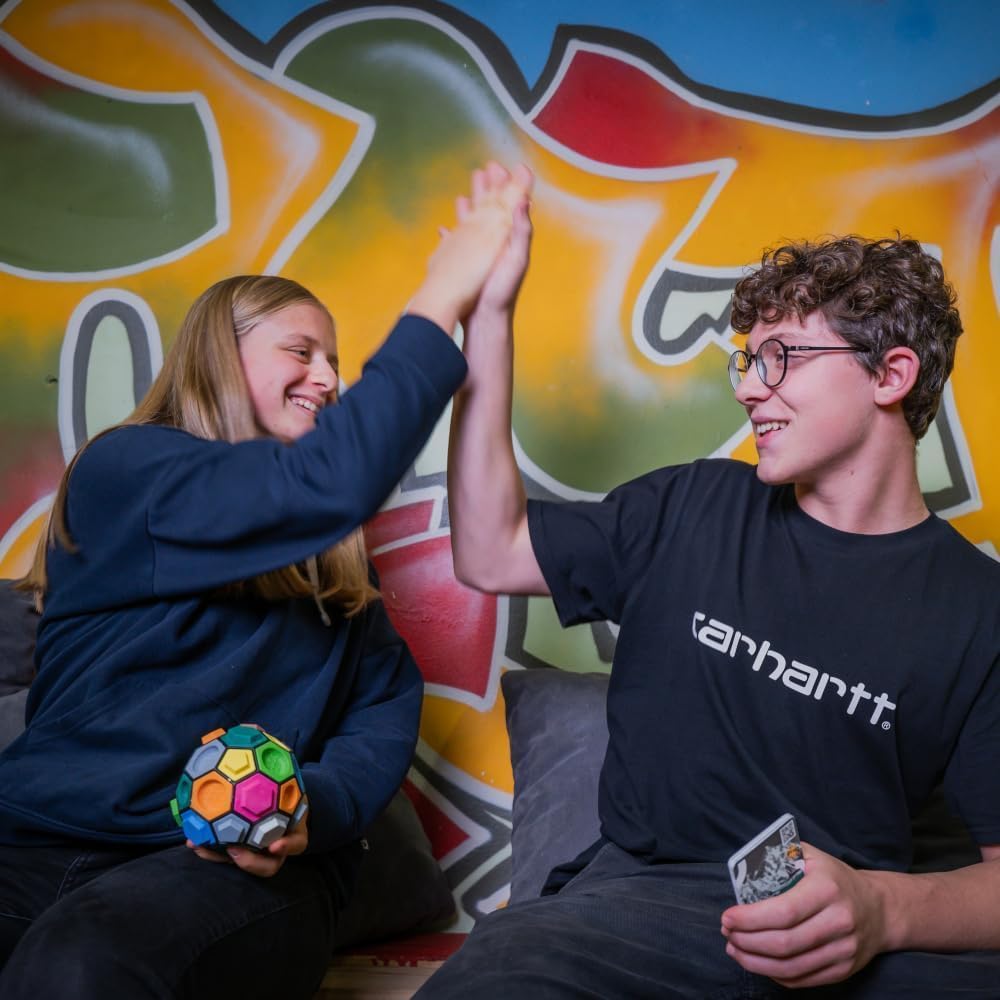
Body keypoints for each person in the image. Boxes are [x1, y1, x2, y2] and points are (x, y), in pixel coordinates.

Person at [418, 163, 1000, 997]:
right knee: (500, 976)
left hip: (843, 935)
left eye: (781, 358)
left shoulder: (979, 610)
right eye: (747, 363)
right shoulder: (691, 505)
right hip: (637, 914)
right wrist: (490, 319)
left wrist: (882, 910)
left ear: (890, 375)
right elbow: (490, 549)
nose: (751, 390)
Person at [0, 163, 533, 999]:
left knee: (77, 966)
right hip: (35, 841)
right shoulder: (128, 471)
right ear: (221, 355)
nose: (328, 378)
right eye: (301, 352)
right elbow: (322, 485)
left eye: (336, 361)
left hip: (230, 874)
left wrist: (305, 806)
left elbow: (374, 730)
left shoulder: (344, 583)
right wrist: (448, 284)